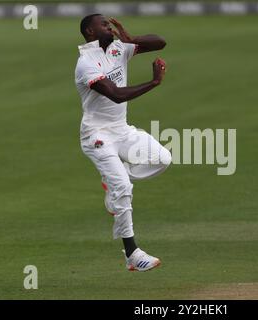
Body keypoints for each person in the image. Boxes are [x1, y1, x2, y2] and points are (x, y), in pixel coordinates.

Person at [75, 14, 171, 272]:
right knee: (123, 188)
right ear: (89, 32)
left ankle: (116, 183)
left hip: (121, 130)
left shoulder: (119, 48)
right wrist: (153, 82)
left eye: (109, 23)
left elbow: (160, 42)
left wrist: (130, 38)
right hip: (97, 135)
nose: (109, 27)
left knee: (163, 159)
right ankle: (132, 253)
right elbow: (116, 95)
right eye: (103, 25)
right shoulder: (86, 63)